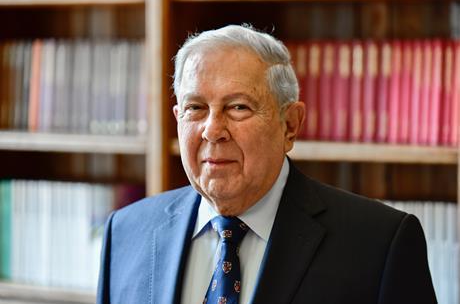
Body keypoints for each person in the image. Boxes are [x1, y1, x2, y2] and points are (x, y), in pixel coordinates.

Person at [97, 25, 437, 304]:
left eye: (239, 107)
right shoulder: (126, 234)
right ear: (177, 119)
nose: (213, 130)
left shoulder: (379, 245)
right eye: (196, 108)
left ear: (290, 124)